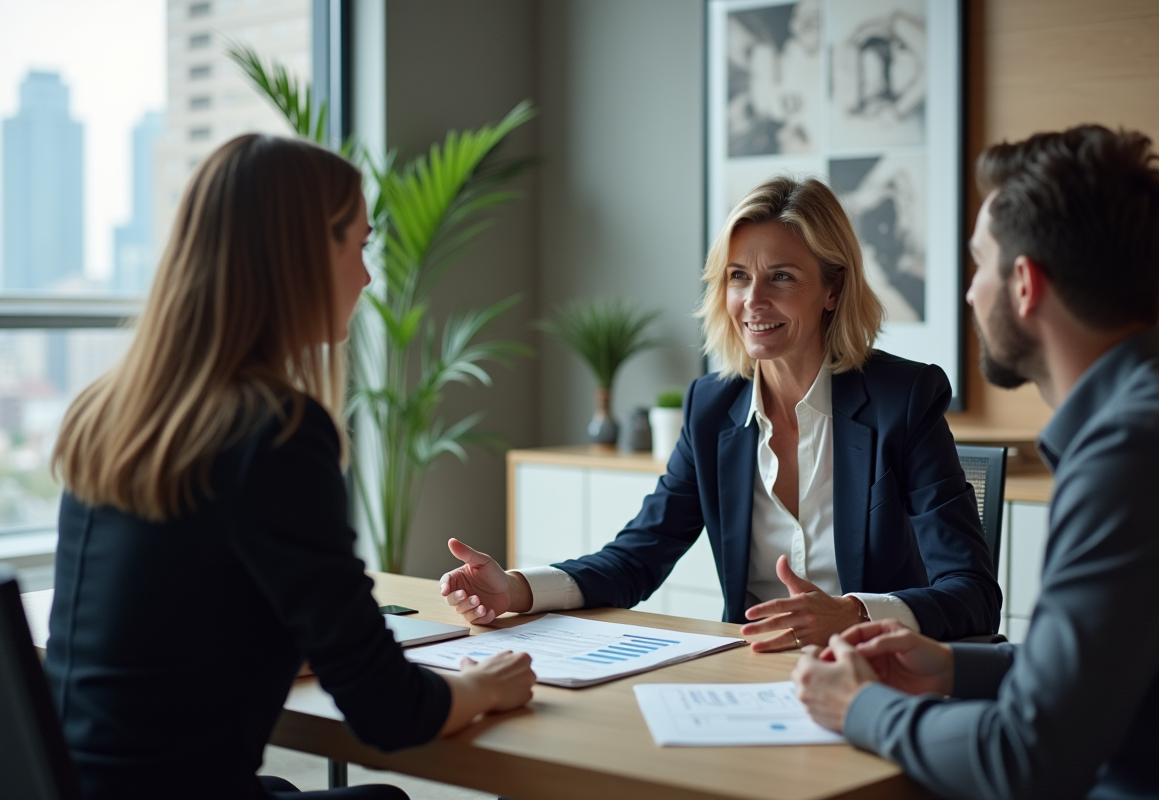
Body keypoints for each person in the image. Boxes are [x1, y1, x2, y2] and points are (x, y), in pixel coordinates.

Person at [43, 134, 536, 800]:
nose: (366, 278)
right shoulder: (273, 433)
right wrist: (482, 686)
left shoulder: (109, 414)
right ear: (298, 253)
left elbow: (171, 622)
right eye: (357, 247)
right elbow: (387, 712)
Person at [794, 125, 1159, 799]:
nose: (969, 292)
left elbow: (1027, 759)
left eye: (978, 265)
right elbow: (1105, 673)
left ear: (1023, 283)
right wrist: (953, 667)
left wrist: (858, 707)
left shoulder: (1129, 456)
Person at [441, 176, 1000, 650]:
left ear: (832, 289)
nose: (753, 300)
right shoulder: (712, 409)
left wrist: (853, 615)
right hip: (746, 677)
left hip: (874, 678)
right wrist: (515, 589)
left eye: (781, 276)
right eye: (738, 276)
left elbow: (972, 594)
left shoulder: (903, 399)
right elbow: (636, 558)